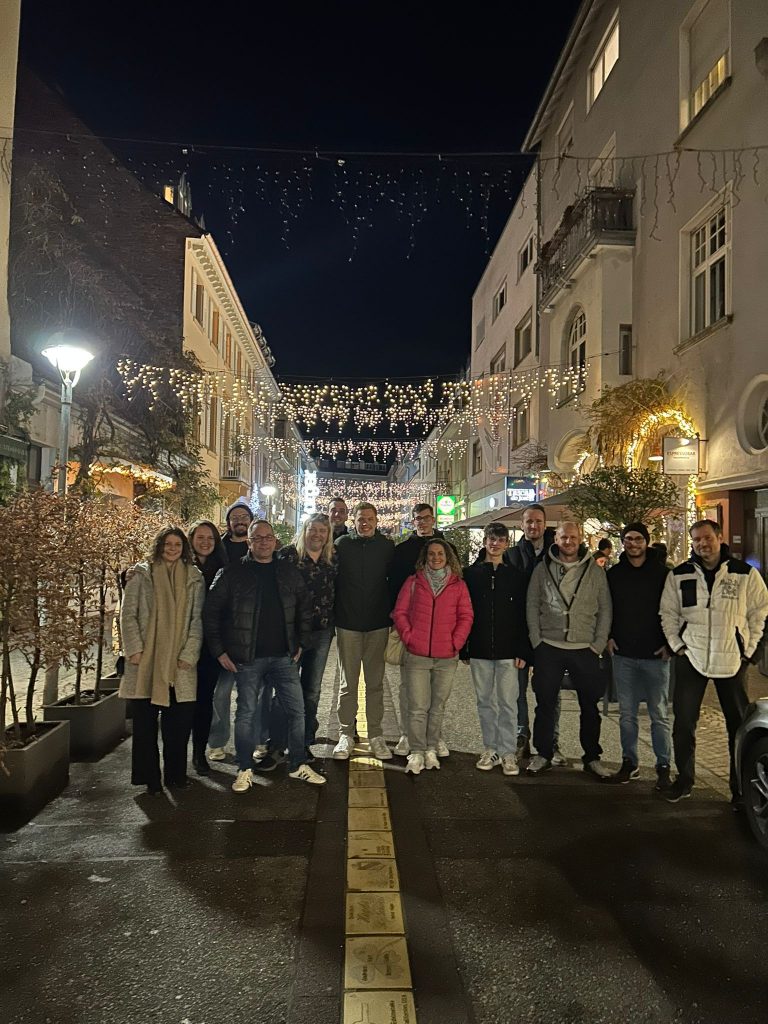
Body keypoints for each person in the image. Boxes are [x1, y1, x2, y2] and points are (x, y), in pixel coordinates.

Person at [203, 519, 325, 790]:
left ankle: (297, 764)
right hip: (247, 658)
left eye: (268, 537)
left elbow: (305, 606)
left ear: (274, 541)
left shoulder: (287, 571)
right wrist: (220, 651)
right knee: (246, 712)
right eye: (257, 538)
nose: (264, 542)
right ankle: (244, 767)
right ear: (249, 542)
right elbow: (211, 613)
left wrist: (302, 644)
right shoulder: (232, 573)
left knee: (296, 711)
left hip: (284, 656)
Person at [660, 518, 768, 805]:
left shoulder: (744, 573)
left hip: (732, 659)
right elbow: (668, 613)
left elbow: (761, 612)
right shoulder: (680, 574)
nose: (701, 544)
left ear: (720, 538)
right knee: (683, 724)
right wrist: (677, 645)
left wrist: (750, 652)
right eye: (696, 540)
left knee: (737, 727)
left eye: (706, 538)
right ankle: (684, 779)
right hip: (691, 657)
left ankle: (739, 788)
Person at [119, 527, 205, 794]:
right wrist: (134, 649)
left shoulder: (194, 577)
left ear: (184, 547)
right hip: (146, 663)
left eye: (177, 544)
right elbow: (127, 614)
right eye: (167, 543)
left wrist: (189, 654)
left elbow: (197, 620)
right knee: (144, 729)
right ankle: (150, 779)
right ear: (159, 546)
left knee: (177, 729)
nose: (172, 548)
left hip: (179, 665)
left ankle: (176, 776)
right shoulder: (141, 574)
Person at [526, 520, 612, 778]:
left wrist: (598, 642)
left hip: (584, 646)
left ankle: (592, 756)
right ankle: (543, 753)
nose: (569, 542)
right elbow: (532, 604)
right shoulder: (543, 569)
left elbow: (605, 607)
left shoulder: (595, 571)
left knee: (589, 705)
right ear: (556, 540)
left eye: (573, 537)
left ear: (580, 539)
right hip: (549, 646)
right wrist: (536, 640)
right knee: (545, 704)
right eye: (564, 537)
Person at [393, 539, 473, 774]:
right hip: (417, 655)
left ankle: (431, 747)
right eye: (431, 554)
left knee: (437, 706)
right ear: (425, 558)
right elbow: (400, 612)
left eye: (440, 554)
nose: (436, 558)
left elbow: (466, 616)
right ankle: (417, 750)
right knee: (418, 706)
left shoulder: (458, 585)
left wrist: (455, 642)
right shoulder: (414, 582)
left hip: (446, 657)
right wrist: (409, 637)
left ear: (447, 557)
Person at [605, 522, 672, 790]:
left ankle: (663, 765)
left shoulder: (663, 574)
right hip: (623, 655)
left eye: (638, 539)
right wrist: (608, 636)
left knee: (658, 714)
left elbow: (673, 611)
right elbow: (606, 607)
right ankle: (629, 762)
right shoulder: (615, 574)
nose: (633, 544)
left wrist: (669, 644)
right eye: (628, 539)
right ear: (623, 542)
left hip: (656, 655)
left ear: (647, 541)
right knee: (627, 714)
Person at [463, 523, 531, 776]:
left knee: (508, 703)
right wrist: (465, 647)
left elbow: (523, 615)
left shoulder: (516, 576)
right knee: (484, 702)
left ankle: (508, 751)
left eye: (500, 540)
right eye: (491, 539)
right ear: (485, 541)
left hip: (508, 650)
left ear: (506, 543)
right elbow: (465, 612)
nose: (495, 544)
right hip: (480, 648)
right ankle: (490, 747)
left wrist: (524, 650)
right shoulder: (471, 574)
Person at [389, 502, 456, 758]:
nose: (422, 522)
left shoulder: (448, 549)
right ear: (413, 521)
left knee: (438, 692)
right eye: (418, 519)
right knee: (410, 688)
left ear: (434, 519)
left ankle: (434, 737)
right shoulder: (403, 550)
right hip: (413, 629)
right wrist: (401, 626)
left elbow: (457, 585)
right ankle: (408, 733)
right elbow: (394, 586)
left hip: (441, 631)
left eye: (426, 518)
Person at [332, 502, 395, 761]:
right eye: (360, 519)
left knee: (375, 684)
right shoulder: (342, 545)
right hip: (347, 623)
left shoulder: (387, 547)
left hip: (377, 624)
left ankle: (376, 735)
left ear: (377, 520)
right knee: (348, 684)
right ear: (353, 520)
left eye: (369, 518)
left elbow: (395, 581)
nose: (365, 523)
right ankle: (346, 733)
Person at [275, 513, 338, 757]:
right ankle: (278, 740)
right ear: (305, 530)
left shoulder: (332, 558)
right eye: (313, 529)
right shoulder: (289, 556)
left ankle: (303, 739)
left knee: (312, 688)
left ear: (328, 535)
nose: (318, 535)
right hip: (291, 632)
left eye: (323, 530)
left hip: (321, 631)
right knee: (285, 687)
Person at [506, 503, 563, 764]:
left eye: (538, 521)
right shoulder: (512, 556)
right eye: (528, 521)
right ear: (522, 525)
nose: (533, 526)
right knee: (517, 691)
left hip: (550, 633)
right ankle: (522, 736)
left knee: (549, 690)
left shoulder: (558, 554)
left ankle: (551, 740)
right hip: (520, 633)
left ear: (545, 524)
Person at [187, 520, 228, 775]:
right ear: (191, 540)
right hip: (181, 642)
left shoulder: (223, 569)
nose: (205, 542)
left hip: (210, 645)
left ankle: (199, 753)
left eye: (210, 538)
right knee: (180, 703)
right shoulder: (180, 566)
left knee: (204, 701)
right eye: (200, 537)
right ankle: (176, 754)